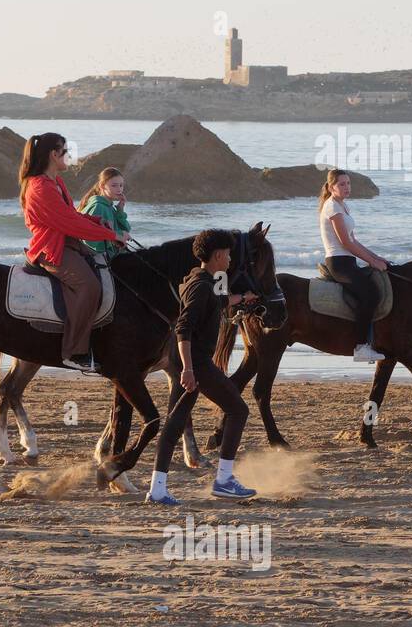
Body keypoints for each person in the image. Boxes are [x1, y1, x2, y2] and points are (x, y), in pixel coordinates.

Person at [147, 229, 258, 505]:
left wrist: (242, 299)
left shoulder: (197, 279)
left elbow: (216, 303)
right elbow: (183, 328)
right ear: (218, 255)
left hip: (188, 360)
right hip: (194, 361)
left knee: (174, 423)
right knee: (238, 410)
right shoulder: (200, 286)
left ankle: (158, 489)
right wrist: (187, 370)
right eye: (229, 254)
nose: (231, 259)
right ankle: (224, 481)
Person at [18, 133, 125, 372]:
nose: (69, 156)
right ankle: (73, 352)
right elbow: (68, 223)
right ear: (53, 155)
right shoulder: (39, 187)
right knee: (89, 286)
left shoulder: (56, 182)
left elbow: (73, 216)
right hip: (51, 250)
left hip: (67, 243)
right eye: (65, 152)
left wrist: (98, 222)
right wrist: (112, 235)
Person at [318, 168, 387, 364]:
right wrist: (372, 262)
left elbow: (354, 241)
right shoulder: (332, 207)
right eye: (342, 184)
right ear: (331, 187)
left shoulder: (343, 206)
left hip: (348, 261)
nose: (347, 187)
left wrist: (376, 257)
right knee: (371, 294)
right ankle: (361, 347)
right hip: (339, 263)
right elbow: (345, 243)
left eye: (348, 183)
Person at [78, 168, 131, 263]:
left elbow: (126, 230)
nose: (119, 189)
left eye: (121, 185)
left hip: (113, 256)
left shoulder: (110, 207)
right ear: (102, 186)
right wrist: (118, 235)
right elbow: (90, 240)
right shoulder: (98, 207)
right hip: (103, 260)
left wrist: (120, 211)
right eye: (114, 185)